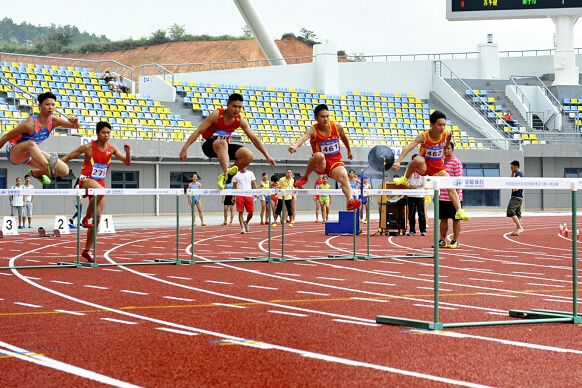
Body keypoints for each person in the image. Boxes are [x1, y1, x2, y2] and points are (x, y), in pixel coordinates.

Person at [60, 121, 131, 263]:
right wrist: (54, 166)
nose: (106, 135)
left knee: (98, 219)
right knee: (100, 193)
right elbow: (68, 157)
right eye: (103, 132)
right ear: (97, 133)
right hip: (86, 179)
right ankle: (86, 218)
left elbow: (127, 163)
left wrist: (128, 153)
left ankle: (87, 251)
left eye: (108, 133)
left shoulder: (113, 148)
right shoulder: (88, 147)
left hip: (100, 182)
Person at [180, 93, 276, 189]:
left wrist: (267, 156)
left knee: (248, 155)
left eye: (239, 107)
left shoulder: (239, 120)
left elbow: (254, 138)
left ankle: (226, 176)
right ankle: (227, 173)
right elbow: (198, 132)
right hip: (208, 145)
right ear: (228, 105)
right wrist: (185, 148)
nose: (237, 110)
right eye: (234, 106)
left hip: (223, 148)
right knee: (222, 142)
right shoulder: (216, 115)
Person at [392, 110, 469, 221]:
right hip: (425, 166)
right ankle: (405, 179)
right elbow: (409, 147)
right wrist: (398, 161)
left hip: (438, 168)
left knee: (450, 184)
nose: (442, 127)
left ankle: (459, 211)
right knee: (417, 159)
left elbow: (449, 137)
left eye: (444, 125)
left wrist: (445, 147)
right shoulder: (423, 136)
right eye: (439, 125)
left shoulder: (446, 132)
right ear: (432, 125)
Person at [288, 104, 361, 211]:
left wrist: (349, 150)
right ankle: (305, 177)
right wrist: (295, 146)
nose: (326, 119)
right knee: (319, 155)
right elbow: (303, 138)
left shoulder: (337, 127)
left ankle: (350, 201)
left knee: (344, 176)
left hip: (335, 162)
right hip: (321, 163)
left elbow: (344, 137)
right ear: (316, 118)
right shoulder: (312, 131)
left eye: (327, 116)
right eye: (322, 116)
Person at [0, 92, 79, 185]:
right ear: (40, 105)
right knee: (31, 143)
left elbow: (75, 126)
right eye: (47, 104)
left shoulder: (54, 121)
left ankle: (36, 173)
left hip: (31, 153)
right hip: (15, 153)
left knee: (64, 170)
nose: (50, 107)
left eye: (53, 105)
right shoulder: (29, 124)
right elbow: (5, 137)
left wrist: (75, 121)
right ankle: (48, 167)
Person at [435, 142, 463, 248]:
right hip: (442, 196)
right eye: (445, 149)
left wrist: (457, 195)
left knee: (456, 219)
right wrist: (435, 195)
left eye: (448, 149)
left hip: (454, 196)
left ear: (452, 150)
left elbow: (459, 180)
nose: (446, 150)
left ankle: (455, 240)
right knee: (443, 219)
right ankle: (442, 240)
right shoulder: (439, 162)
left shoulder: (456, 162)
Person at [407, 154, 427, 236]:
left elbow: (426, 182)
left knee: (421, 213)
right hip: (411, 195)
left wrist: (418, 185)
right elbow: (405, 179)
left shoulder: (423, 169)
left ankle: (423, 230)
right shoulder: (409, 169)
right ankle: (412, 230)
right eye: (414, 160)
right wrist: (409, 185)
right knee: (411, 214)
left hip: (420, 194)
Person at [232, 166, 256, 234]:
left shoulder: (250, 173)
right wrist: (233, 196)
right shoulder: (236, 175)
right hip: (240, 195)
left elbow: (254, 184)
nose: (243, 167)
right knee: (240, 212)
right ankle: (242, 228)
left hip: (249, 195)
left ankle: (246, 222)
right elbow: (234, 186)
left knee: (251, 212)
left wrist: (256, 193)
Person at [508, 160, 525, 236]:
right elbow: (511, 181)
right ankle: (518, 230)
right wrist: (512, 173)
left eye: (512, 167)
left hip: (516, 197)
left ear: (516, 167)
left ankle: (520, 227)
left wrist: (515, 188)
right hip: (520, 197)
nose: (511, 169)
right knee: (518, 214)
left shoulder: (518, 174)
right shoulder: (518, 174)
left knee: (510, 211)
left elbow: (516, 185)